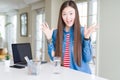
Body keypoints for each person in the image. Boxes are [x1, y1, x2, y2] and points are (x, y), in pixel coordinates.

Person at [41, 0, 97, 74]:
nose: (68, 18)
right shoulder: (55, 33)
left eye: (71, 13)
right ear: (61, 15)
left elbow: (87, 59)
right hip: (65, 75)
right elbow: (54, 58)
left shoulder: (83, 31)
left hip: (82, 75)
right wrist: (49, 39)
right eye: (64, 14)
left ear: (75, 14)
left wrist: (86, 38)